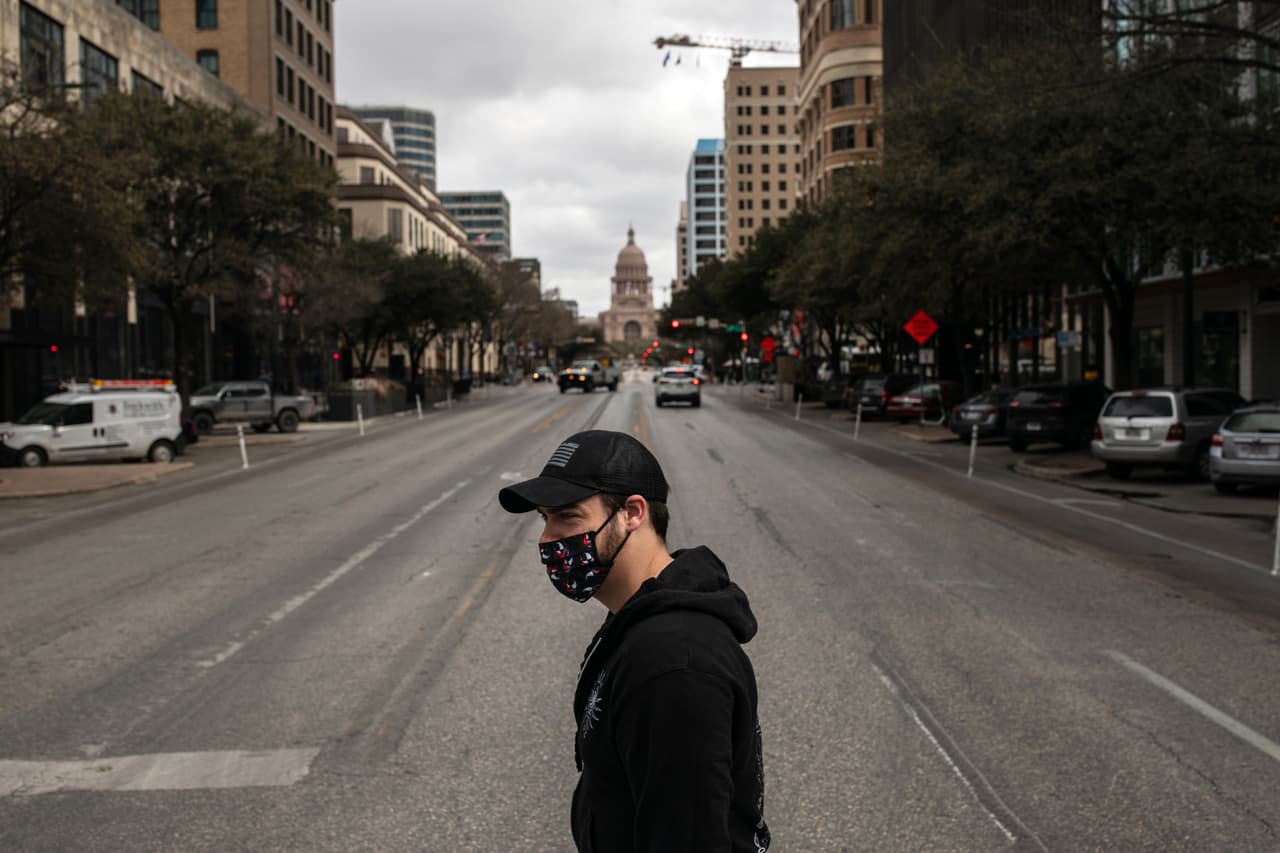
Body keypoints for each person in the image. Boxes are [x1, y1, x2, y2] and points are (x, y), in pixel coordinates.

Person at [498, 430, 769, 852]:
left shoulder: (675, 664)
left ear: (633, 513)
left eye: (567, 517)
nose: (546, 538)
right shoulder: (638, 618)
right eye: (544, 518)